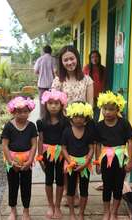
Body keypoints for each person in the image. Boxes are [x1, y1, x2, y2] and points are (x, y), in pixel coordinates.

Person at [52, 45, 94, 206]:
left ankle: (76, 191)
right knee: (65, 156)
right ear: (61, 62)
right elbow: (53, 103)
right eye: (66, 59)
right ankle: (66, 190)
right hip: (63, 124)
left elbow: (90, 105)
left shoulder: (87, 80)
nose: (69, 62)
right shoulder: (58, 81)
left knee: (79, 155)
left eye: (72, 58)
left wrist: (85, 123)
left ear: (77, 58)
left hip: (81, 124)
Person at [95, 91, 132, 220]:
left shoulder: (124, 123)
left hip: (120, 158)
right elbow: (97, 144)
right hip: (106, 159)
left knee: (118, 186)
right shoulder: (99, 126)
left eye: (111, 109)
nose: (107, 112)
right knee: (107, 185)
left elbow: (129, 141)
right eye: (105, 109)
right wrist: (97, 162)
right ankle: (106, 211)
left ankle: (114, 212)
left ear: (118, 109)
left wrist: (129, 162)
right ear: (101, 108)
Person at [1, 96, 37, 220]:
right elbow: (5, 145)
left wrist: (30, 160)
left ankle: (26, 211)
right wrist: (11, 162)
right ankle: (13, 210)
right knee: (13, 184)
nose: (22, 114)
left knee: (26, 185)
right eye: (19, 112)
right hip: (12, 160)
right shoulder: (8, 126)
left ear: (29, 112)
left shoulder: (32, 126)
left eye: (25, 112)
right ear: (13, 111)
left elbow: (34, 144)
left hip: (27, 160)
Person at [36, 89, 68, 219]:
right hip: (47, 154)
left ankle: (58, 206)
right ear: (45, 104)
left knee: (60, 180)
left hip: (61, 154)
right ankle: (50, 205)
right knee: (48, 179)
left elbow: (67, 140)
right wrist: (39, 157)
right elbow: (41, 139)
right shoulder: (41, 121)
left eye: (56, 103)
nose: (53, 106)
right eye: (50, 103)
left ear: (62, 105)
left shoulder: (66, 122)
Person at [61, 102, 95, 220]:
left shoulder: (89, 132)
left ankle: (81, 213)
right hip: (71, 163)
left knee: (84, 189)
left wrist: (86, 163)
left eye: (81, 116)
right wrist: (70, 161)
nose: (78, 119)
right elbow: (64, 148)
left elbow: (91, 148)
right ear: (71, 118)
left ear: (86, 119)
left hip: (85, 164)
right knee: (70, 189)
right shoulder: (67, 132)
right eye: (76, 116)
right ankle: (71, 213)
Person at [83, 50, 107, 121]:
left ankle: (94, 128)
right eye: (92, 57)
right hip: (89, 96)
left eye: (96, 57)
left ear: (99, 58)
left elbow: (105, 83)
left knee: (97, 115)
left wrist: (104, 95)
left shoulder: (103, 69)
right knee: (88, 114)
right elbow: (83, 82)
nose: (94, 59)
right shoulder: (86, 68)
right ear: (90, 59)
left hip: (99, 97)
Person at [34, 45, 56, 118]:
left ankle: (42, 119)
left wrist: (41, 72)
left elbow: (35, 71)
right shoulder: (53, 59)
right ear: (51, 51)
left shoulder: (39, 59)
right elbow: (55, 72)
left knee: (42, 103)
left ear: (43, 51)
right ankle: (51, 118)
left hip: (42, 85)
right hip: (52, 85)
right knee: (51, 102)